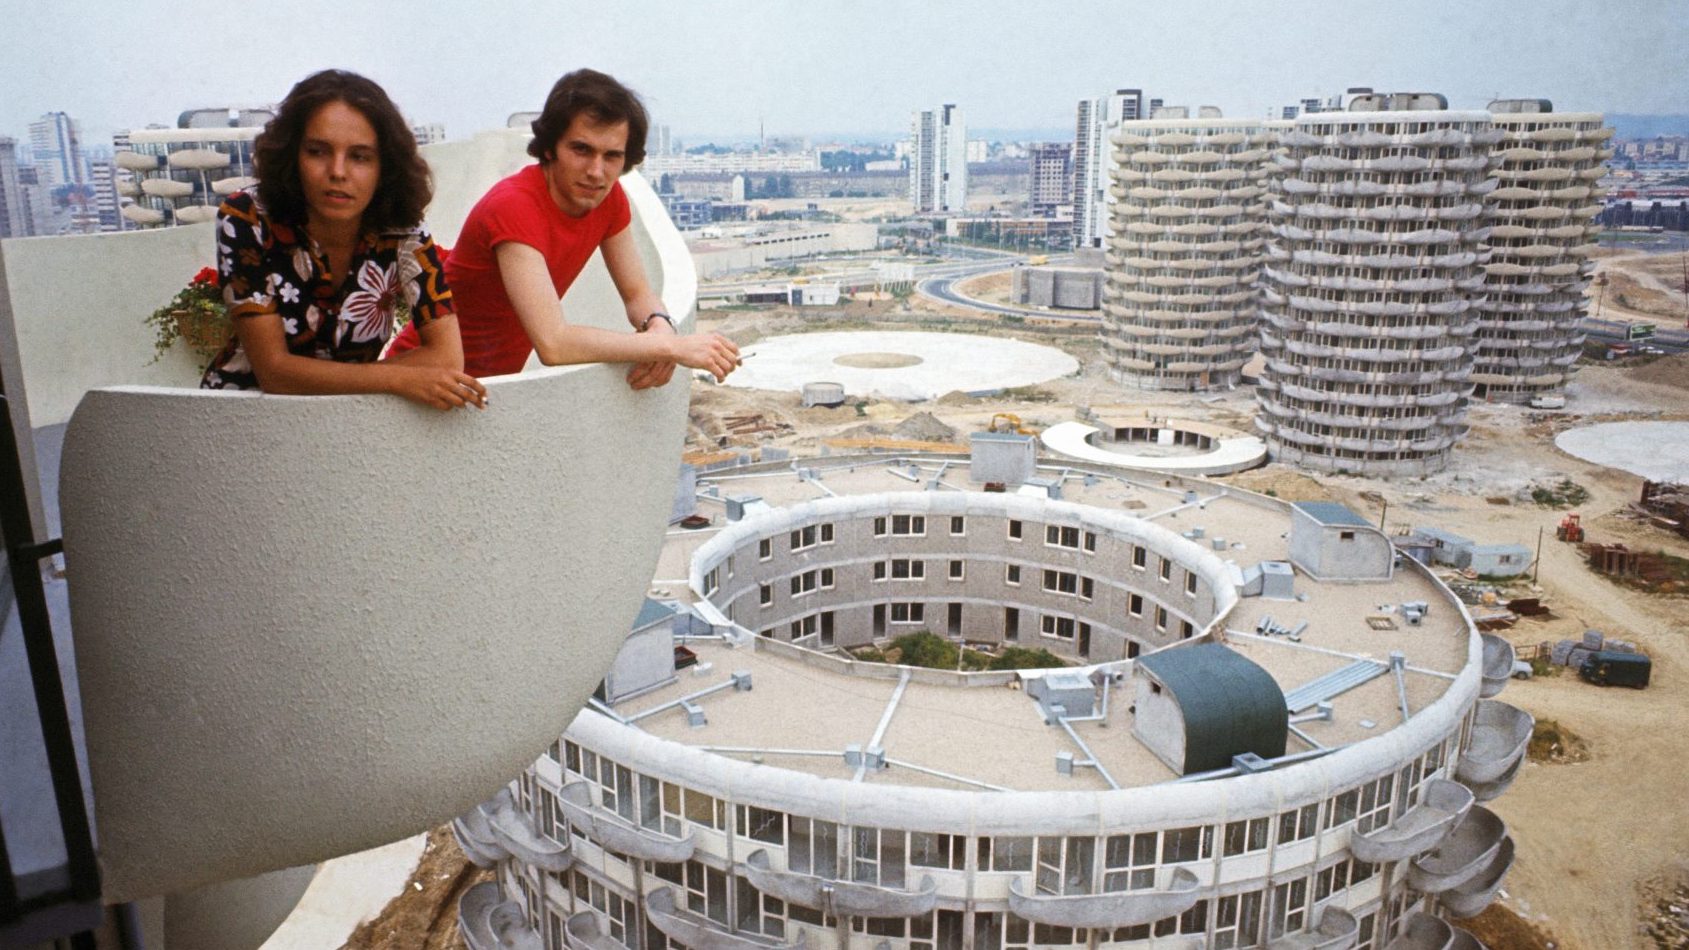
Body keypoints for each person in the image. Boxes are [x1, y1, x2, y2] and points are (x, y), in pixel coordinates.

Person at [385, 68, 738, 387]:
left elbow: (637, 294)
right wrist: (666, 346)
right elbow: (553, 343)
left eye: (612, 156)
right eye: (581, 150)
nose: (596, 171)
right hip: (419, 383)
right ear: (550, 148)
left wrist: (660, 328)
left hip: (487, 389)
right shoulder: (514, 206)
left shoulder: (608, 199)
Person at [201, 70, 487, 412]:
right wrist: (400, 379)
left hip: (348, 423)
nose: (338, 171)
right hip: (242, 420)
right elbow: (275, 373)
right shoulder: (247, 219)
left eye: (360, 156)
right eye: (318, 151)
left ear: (385, 166)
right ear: (293, 155)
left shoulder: (402, 231)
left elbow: (447, 357)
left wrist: (338, 380)